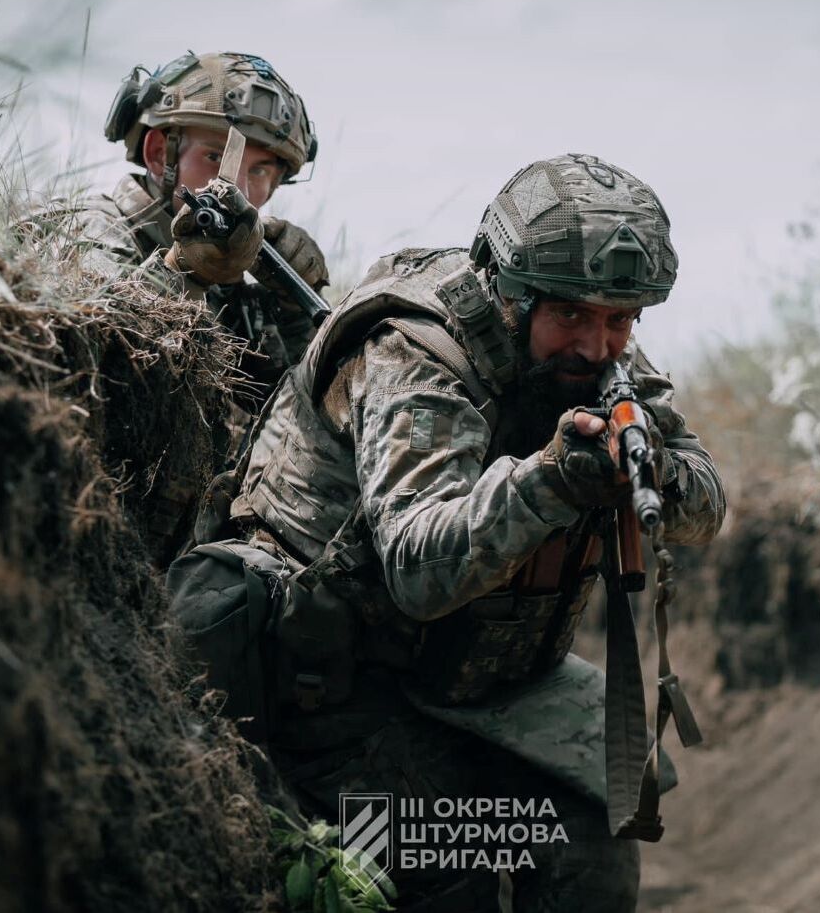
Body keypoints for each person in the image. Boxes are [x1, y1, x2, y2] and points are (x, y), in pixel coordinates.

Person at [173, 153, 726, 911]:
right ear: (513, 294)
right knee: (441, 874)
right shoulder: (417, 356)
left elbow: (705, 503)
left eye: (620, 320)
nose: (598, 344)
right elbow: (419, 567)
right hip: (330, 685)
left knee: (592, 859)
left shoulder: (595, 346)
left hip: (473, 680)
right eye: (573, 316)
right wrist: (551, 479)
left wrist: (649, 467)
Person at [84, 50, 329, 381]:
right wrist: (183, 274)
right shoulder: (90, 231)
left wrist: (293, 310)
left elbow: (285, 400)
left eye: (259, 170)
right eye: (216, 157)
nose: (238, 187)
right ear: (159, 154)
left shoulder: (233, 289)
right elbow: (99, 361)